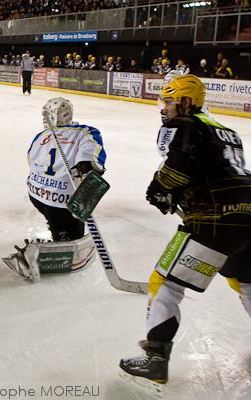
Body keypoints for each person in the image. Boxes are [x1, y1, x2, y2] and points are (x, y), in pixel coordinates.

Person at [120, 74, 251, 385]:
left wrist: (160, 188)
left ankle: (155, 358)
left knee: (163, 284)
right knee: (247, 283)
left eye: (169, 101)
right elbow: (214, 169)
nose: (164, 107)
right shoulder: (228, 131)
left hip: (213, 219)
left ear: (187, 102)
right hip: (249, 214)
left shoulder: (185, 124)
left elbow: (179, 166)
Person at [3, 97, 105, 280]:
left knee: (57, 218)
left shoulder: (40, 136)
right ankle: (52, 244)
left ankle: (59, 230)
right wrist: (86, 166)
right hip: (65, 200)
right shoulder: (86, 131)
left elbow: (30, 160)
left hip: (37, 194)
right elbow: (92, 156)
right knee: (74, 234)